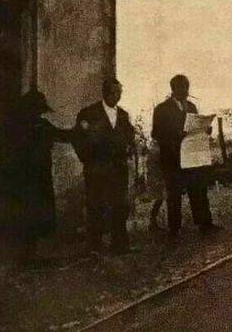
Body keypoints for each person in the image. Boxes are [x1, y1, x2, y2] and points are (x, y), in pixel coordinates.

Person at [0, 90, 74, 266]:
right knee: (33, 213)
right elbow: (63, 136)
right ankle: (28, 256)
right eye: (38, 109)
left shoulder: (14, 125)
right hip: (35, 177)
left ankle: (26, 254)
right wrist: (82, 129)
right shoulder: (39, 125)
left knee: (25, 214)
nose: (39, 113)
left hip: (21, 178)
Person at [152, 75, 219, 240]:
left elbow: (195, 127)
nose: (185, 91)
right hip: (172, 159)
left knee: (198, 190)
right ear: (173, 89)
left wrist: (205, 130)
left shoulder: (191, 106)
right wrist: (176, 135)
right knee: (174, 195)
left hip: (191, 157)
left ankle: (205, 224)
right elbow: (156, 133)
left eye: (187, 87)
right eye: (182, 88)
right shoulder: (161, 109)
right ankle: (174, 230)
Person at [74, 78, 136, 255]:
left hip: (118, 169)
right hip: (97, 169)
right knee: (96, 205)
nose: (117, 96)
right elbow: (78, 139)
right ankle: (95, 245)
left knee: (119, 205)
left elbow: (129, 136)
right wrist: (88, 160)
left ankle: (120, 244)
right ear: (105, 93)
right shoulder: (89, 113)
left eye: (119, 93)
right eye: (114, 93)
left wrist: (128, 148)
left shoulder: (123, 115)